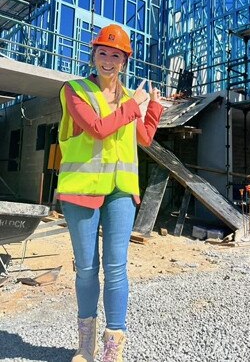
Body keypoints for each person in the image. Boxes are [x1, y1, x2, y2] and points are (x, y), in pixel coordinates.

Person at [56, 24, 163, 362]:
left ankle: (112, 348)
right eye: (103, 52)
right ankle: (85, 345)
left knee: (116, 268)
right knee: (87, 269)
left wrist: (154, 109)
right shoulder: (75, 91)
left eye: (115, 54)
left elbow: (143, 138)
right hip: (82, 191)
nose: (108, 59)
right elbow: (98, 128)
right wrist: (135, 106)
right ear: (94, 55)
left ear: (124, 61)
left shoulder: (132, 99)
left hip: (121, 191)